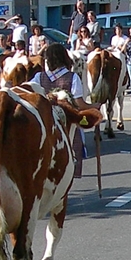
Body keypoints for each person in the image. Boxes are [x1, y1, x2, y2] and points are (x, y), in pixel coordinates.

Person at [27, 41, 90, 176]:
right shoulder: (73, 77)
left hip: (45, 122)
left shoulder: (39, 77)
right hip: (64, 125)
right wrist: (94, 107)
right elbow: (79, 103)